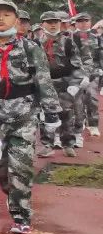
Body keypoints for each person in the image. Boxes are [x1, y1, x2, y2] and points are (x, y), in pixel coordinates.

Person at [0, 0, 62, 234]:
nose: (1, 19)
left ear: (17, 20)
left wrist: (51, 112)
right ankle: (13, 192)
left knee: (22, 168)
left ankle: (22, 217)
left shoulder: (30, 48)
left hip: (24, 116)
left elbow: (43, 80)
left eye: (7, 15)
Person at [38, 10, 85, 157]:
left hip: (64, 83)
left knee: (66, 114)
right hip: (44, 85)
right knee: (45, 116)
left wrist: (74, 83)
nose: (53, 25)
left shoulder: (68, 42)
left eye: (55, 22)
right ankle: (47, 144)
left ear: (60, 24)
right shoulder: (35, 44)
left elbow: (77, 65)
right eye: (49, 22)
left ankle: (68, 144)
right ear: (42, 24)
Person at [71, 13, 101, 144]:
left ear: (90, 22)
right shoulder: (70, 37)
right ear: (76, 23)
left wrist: (100, 68)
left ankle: (93, 124)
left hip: (92, 73)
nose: (83, 23)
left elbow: (100, 54)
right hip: (75, 73)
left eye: (86, 21)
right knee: (76, 100)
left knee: (91, 97)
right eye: (80, 21)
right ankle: (79, 122)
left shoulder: (96, 38)